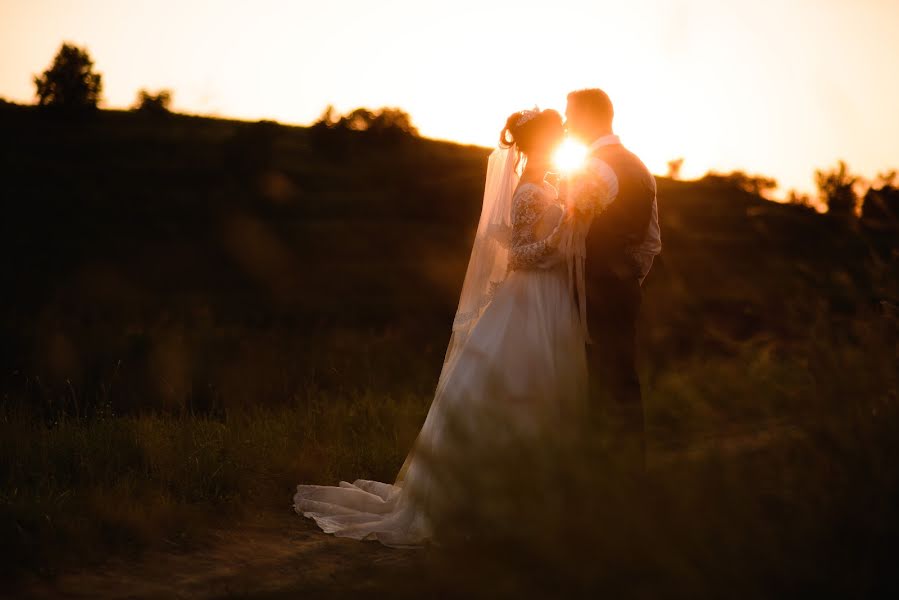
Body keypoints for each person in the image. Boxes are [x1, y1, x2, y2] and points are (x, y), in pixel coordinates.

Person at [293, 108, 588, 547]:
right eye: (553, 136)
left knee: (542, 393)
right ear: (535, 144)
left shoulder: (547, 185)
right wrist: (566, 226)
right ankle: (485, 502)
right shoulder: (528, 192)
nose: (558, 142)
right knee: (514, 391)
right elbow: (521, 256)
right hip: (527, 302)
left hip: (548, 301)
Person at [564, 88, 662, 470]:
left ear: (589, 115)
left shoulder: (593, 168)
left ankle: (609, 473)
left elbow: (572, 240)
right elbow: (652, 241)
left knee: (599, 379)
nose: (567, 122)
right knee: (623, 377)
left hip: (594, 290)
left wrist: (596, 278)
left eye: (570, 113)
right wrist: (629, 277)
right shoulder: (639, 166)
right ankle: (628, 469)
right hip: (622, 289)